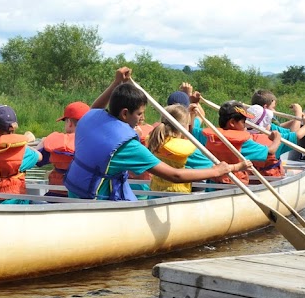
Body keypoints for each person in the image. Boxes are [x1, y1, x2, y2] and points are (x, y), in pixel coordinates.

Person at [64, 68, 250, 201]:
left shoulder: (90, 118)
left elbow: (97, 106)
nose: (141, 118)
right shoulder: (126, 145)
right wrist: (219, 170)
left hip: (75, 193)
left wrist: (116, 83)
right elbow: (175, 175)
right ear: (124, 113)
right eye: (139, 114)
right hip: (99, 201)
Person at [201, 101, 282, 184]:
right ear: (232, 123)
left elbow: (192, 130)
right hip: (235, 185)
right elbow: (270, 151)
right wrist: (277, 138)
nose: (245, 125)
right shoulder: (242, 142)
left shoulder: (211, 137)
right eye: (243, 122)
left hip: (213, 184)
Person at [37, 101, 90, 191]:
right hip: (82, 196)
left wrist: (42, 143)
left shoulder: (55, 143)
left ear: (69, 122)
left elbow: (37, 161)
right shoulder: (93, 144)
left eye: (65, 121)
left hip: (56, 196)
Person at [146, 104, 197, 194]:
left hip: (155, 191)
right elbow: (207, 165)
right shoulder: (188, 151)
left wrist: (189, 115)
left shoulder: (156, 140)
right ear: (184, 128)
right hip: (177, 195)